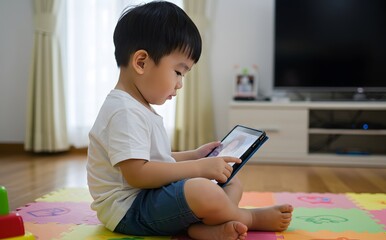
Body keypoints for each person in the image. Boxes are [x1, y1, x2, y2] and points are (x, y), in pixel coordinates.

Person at [86, 2, 293, 240]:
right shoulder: (124, 111)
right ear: (141, 62)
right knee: (203, 188)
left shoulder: (138, 107)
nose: (180, 84)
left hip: (147, 197)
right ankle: (248, 217)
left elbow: (155, 161)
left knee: (230, 182)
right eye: (178, 72)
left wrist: (195, 155)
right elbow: (138, 174)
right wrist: (198, 168)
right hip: (130, 210)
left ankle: (198, 228)